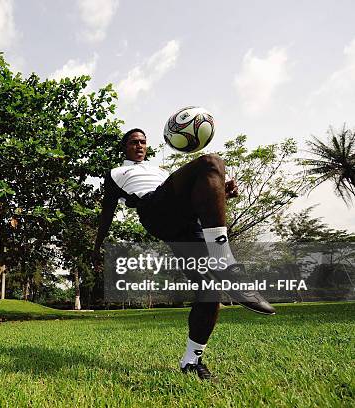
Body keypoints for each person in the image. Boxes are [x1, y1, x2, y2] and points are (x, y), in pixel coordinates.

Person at [93, 128, 275, 380]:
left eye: (143, 142)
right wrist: (96, 246)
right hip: (154, 210)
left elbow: (197, 199)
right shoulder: (116, 174)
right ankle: (228, 265)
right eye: (134, 142)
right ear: (124, 147)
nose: (140, 145)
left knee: (210, 291)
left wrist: (222, 193)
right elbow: (107, 212)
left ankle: (191, 360)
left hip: (185, 222)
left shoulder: (161, 172)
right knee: (211, 162)